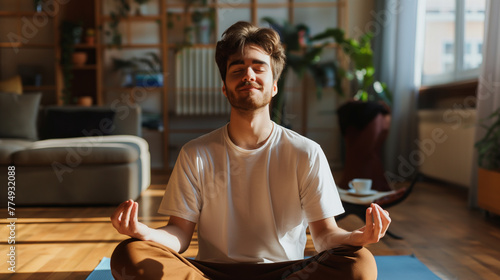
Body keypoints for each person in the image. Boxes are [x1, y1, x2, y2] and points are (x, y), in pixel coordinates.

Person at [110, 21, 391, 280]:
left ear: (274, 86)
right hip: (212, 272)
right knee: (129, 254)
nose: (248, 75)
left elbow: (325, 236)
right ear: (225, 87)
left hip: (287, 272)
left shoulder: (306, 152)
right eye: (237, 69)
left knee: (361, 262)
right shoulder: (195, 153)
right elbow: (179, 236)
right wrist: (142, 231)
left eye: (259, 67)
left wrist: (355, 237)